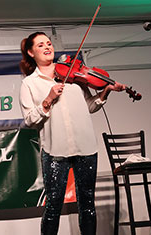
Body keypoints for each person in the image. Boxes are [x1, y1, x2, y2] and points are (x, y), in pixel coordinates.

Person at [19, 32, 125, 235]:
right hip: (55, 150)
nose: (47, 47)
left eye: (49, 43)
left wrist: (106, 91)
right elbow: (30, 120)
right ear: (31, 52)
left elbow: (90, 106)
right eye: (41, 45)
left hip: (85, 147)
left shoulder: (74, 76)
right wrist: (48, 99)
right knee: (53, 207)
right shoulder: (30, 83)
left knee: (87, 205)